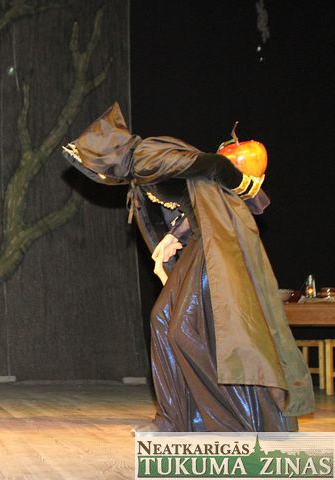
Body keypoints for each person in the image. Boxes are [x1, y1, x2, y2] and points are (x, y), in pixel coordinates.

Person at [62, 102, 314, 432]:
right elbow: (194, 194)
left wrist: (243, 185)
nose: (101, 176)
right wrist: (172, 237)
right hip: (199, 238)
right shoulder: (140, 171)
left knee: (183, 329)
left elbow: (211, 165)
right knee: (162, 320)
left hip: (216, 238)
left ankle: (236, 419)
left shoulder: (147, 157)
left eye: (98, 167)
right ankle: (173, 419)